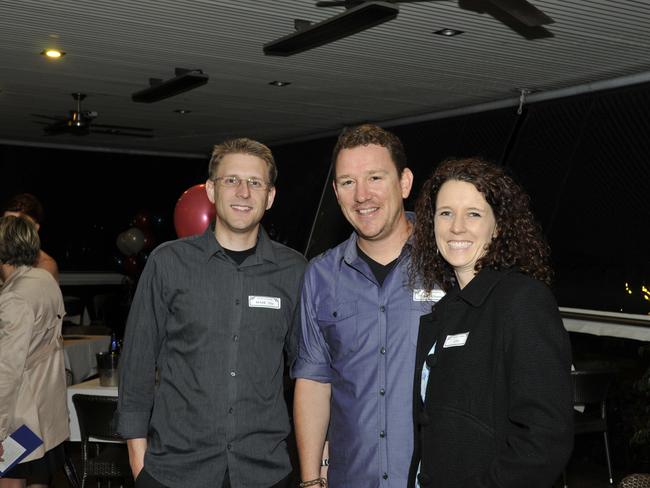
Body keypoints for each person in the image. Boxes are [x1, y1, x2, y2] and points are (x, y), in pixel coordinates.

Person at [116, 138, 307, 488]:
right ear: (211, 190)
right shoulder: (168, 262)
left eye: (255, 183)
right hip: (175, 470)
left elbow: (310, 371)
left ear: (271, 196)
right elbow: (138, 361)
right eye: (231, 180)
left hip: (263, 471)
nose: (243, 193)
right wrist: (138, 460)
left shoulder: (295, 271)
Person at [292, 124, 443, 487]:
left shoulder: (446, 262)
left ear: (404, 183)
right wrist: (311, 480)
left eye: (375, 177)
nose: (362, 195)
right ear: (336, 192)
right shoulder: (320, 276)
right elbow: (314, 382)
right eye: (347, 182)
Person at [408, 157, 573, 488]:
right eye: (445, 213)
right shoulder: (446, 311)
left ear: (498, 226)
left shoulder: (522, 300)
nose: (457, 227)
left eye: (473, 213)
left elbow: (544, 441)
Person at [0, 215, 69, 488]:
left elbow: (7, 370)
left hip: (20, 416)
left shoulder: (14, 298)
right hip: (46, 410)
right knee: (38, 479)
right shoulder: (44, 280)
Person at [3, 194, 59, 282]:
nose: (9, 230)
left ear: (35, 228)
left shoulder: (45, 267)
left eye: (18, 225)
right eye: (6, 223)